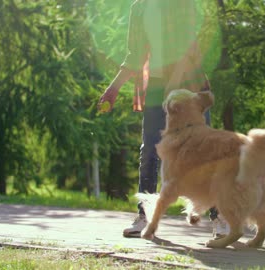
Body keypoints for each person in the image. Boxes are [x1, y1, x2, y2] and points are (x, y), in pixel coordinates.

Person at [98, 0, 228, 238]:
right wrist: (113, 89)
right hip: (158, 86)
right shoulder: (139, 8)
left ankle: (218, 216)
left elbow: (189, 48)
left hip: (188, 80)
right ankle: (144, 216)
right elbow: (134, 56)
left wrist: (174, 83)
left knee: (204, 149)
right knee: (150, 149)